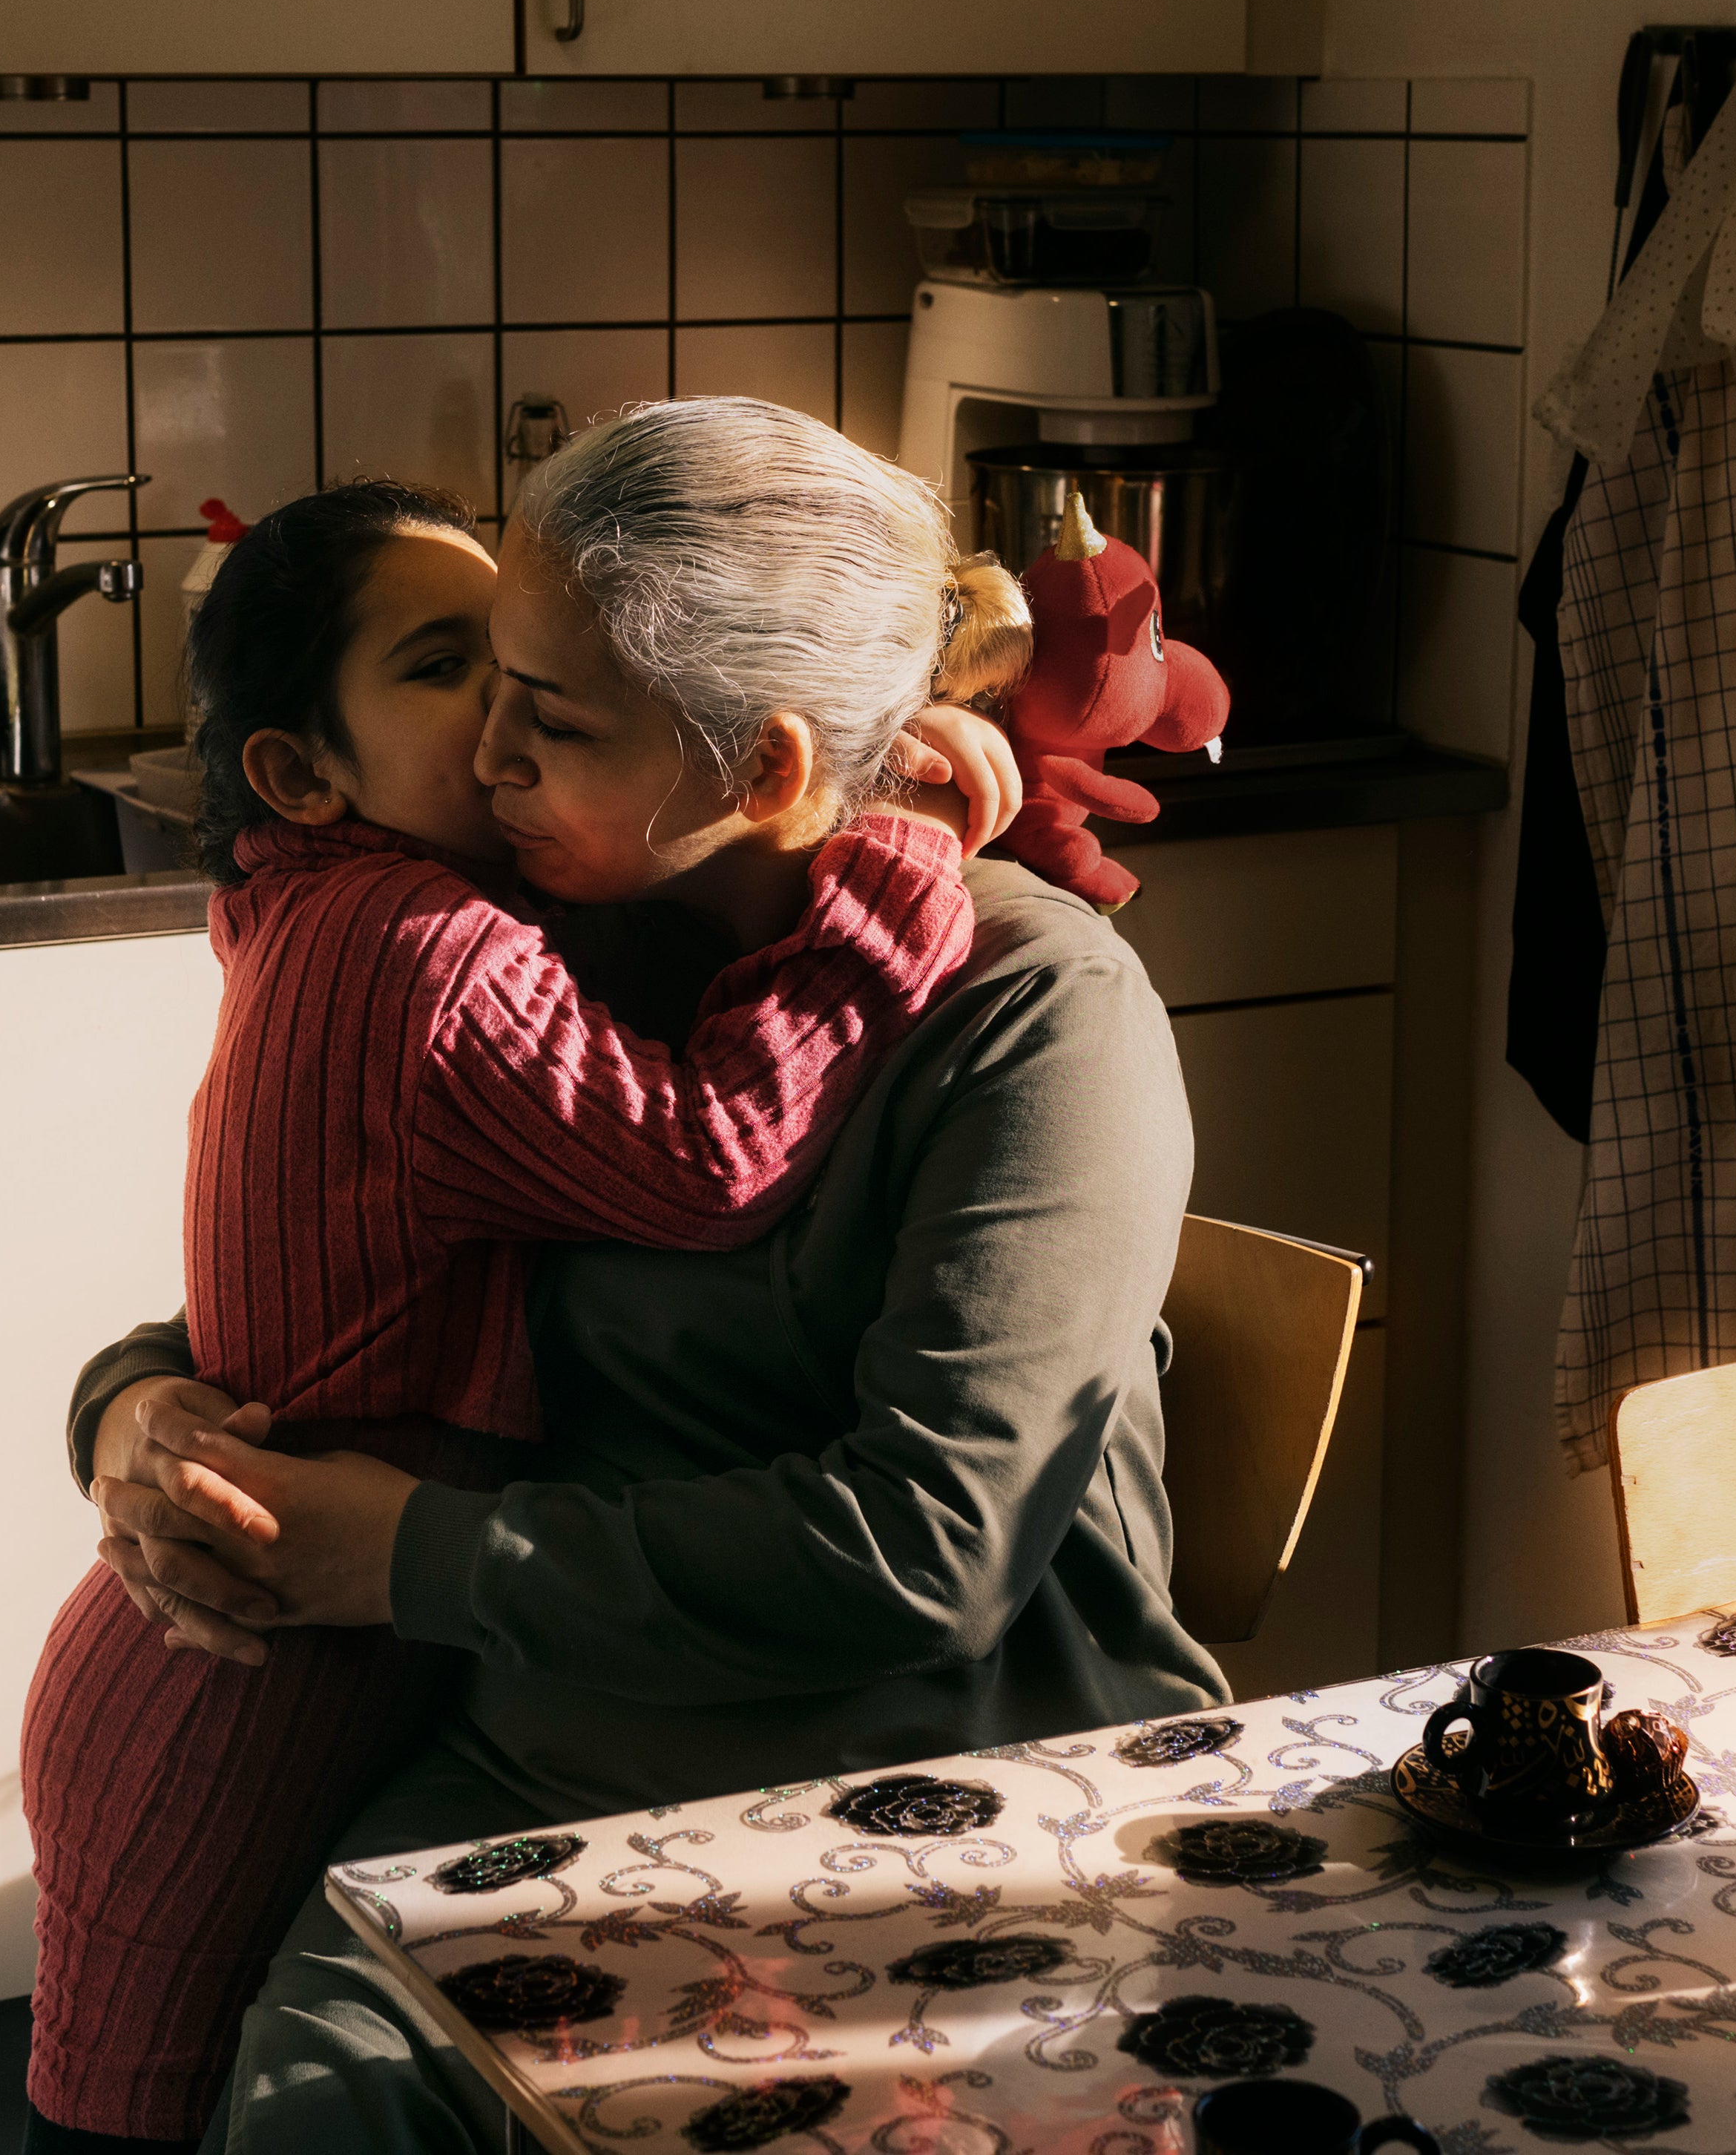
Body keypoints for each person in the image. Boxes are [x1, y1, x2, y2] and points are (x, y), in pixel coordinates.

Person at [82, 398, 1223, 2153]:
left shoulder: (1031, 1013)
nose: (484, 761)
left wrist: (400, 1554)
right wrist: (132, 1415)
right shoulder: (550, 939)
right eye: (478, 691)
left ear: (765, 772)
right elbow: (330, 1266)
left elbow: (930, 1551)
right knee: (309, 2107)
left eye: (545, 718)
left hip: (953, 1791)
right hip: (556, 1764)